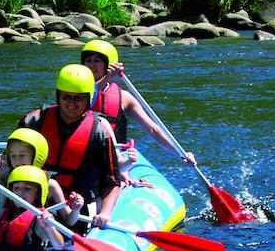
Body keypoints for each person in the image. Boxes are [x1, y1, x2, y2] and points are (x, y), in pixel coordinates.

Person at [19, 63, 121, 228]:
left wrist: (105, 213)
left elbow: (112, 182)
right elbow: (8, 160)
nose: (71, 103)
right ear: (58, 96)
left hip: (77, 206)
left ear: (89, 98)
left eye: (78, 98)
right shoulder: (34, 121)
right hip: (35, 199)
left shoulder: (99, 133)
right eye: (66, 97)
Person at [79, 39, 196, 167]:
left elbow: (153, 129)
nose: (91, 65)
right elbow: (89, 96)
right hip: (84, 156)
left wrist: (180, 153)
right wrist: (106, 77)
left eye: (97, 61)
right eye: (88, 61)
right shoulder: (74, 95)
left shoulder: (124, 98)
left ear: (108, 65)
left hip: (114, 159)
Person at [0, 127, 84, 226]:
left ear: (38, 156)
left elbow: (69, 220)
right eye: (13, 155)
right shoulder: (8, 181)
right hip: (14, 233)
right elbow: (0, 214)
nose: (17, 160)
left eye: (22, 155)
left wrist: (76, 209)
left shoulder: (50, 185)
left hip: (43, 236)